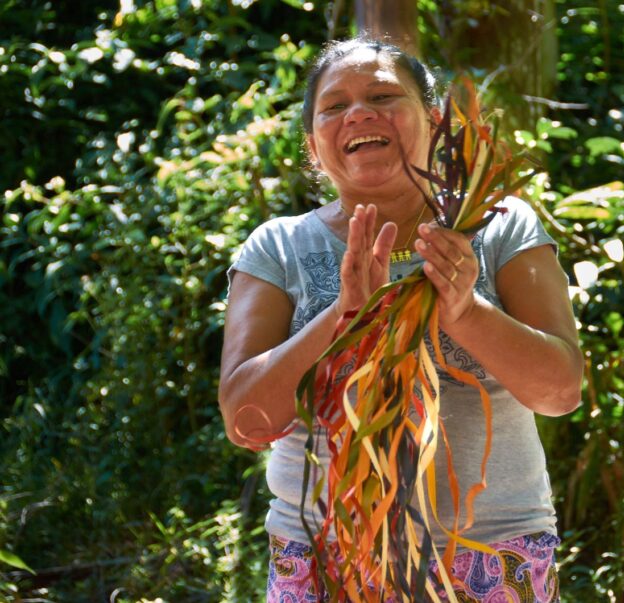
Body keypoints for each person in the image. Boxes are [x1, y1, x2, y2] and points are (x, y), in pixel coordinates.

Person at [218, 37, 583, 603]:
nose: (359, 113)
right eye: (334, 107)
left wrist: (465, 311)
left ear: (435, 122)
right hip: (326, 557)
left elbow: (560, 391)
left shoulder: (500, 228)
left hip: (491, 552)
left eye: (383, 95)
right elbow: (246, 422)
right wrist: (342, 319)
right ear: (314, 148)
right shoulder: (279, 246)